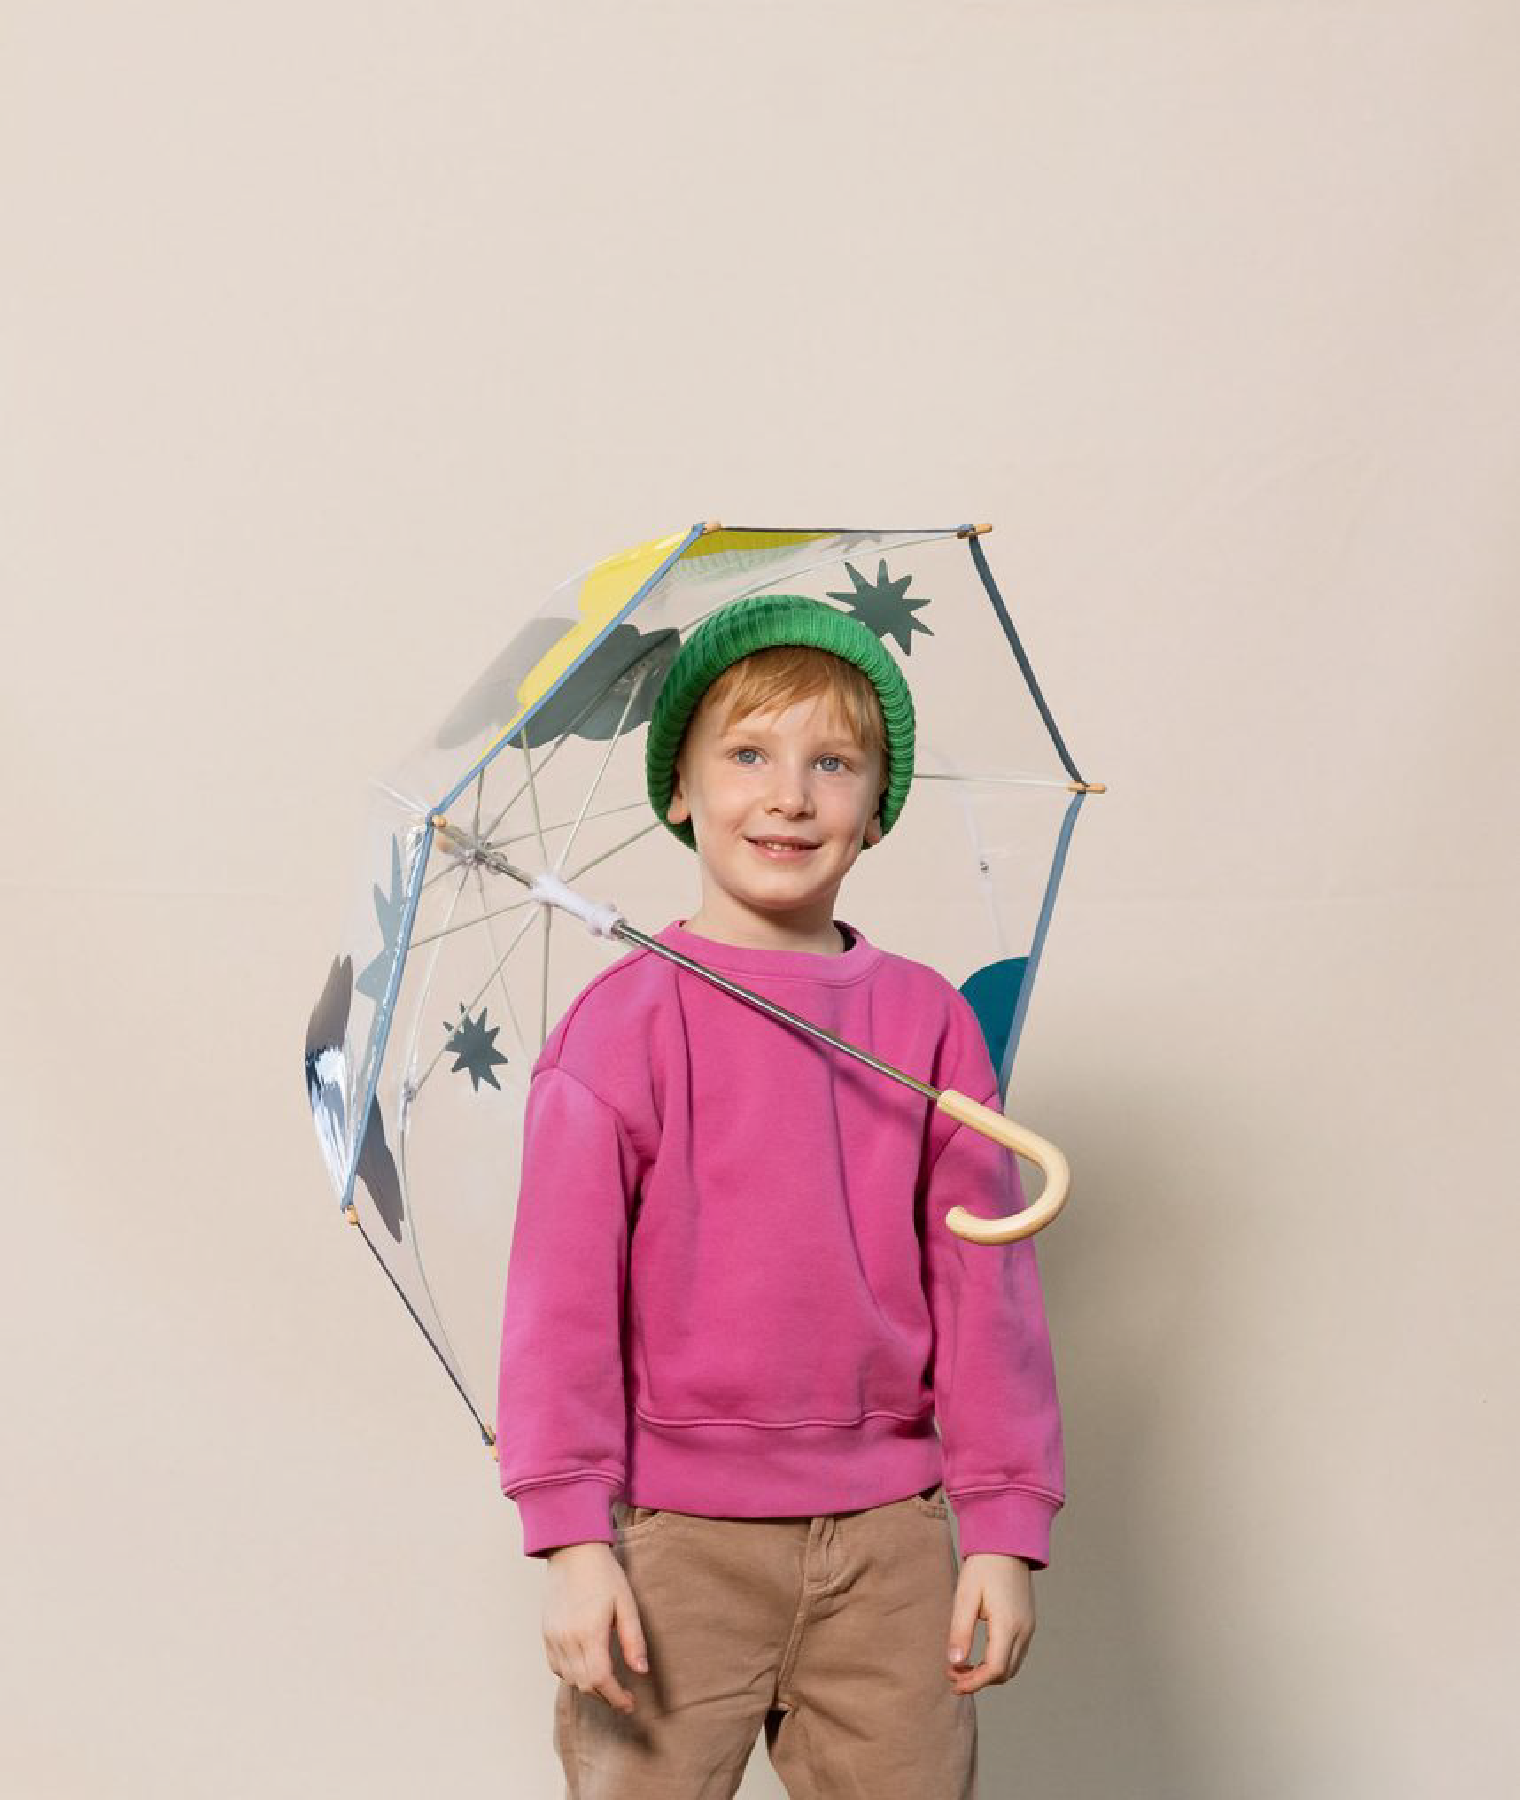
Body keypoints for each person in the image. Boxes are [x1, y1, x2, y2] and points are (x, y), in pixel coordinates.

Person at [496, 593, 1065, 1799]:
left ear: (874, 808)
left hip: (890, 1541)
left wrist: (1002, 1529)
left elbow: (986, 1289)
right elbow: (558, 1306)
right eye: (746, 755)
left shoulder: (926, 1023)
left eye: (831, 763)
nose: (788, 795)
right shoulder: (619, 1028)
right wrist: (571, 1540)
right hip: (672, 1547)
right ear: (680, 791)